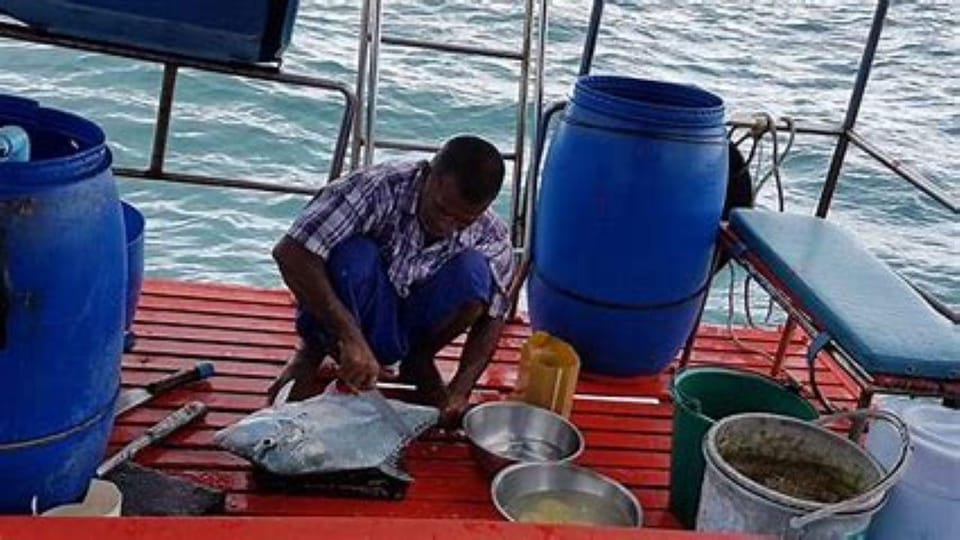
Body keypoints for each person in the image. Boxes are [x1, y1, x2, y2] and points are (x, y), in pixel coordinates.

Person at [267, 135, 515, 426]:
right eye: (442, 210)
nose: (448, 227)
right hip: (362, 306)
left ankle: (418, 361)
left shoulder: (491, 233)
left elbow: (495, 315)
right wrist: (350, 338)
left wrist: (461, 390)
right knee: (352, 256)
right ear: (427, 174)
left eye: (463, 221)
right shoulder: (375, 188)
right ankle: (312, 350)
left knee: (477, 273)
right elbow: (292, 253)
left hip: (409, 320)